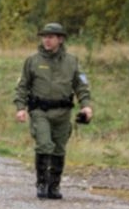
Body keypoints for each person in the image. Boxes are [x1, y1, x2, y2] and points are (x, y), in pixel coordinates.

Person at [13, 22, 93, 199]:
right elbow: (22, 86)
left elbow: (81, 85)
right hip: (40, 111)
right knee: (44, 143)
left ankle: (54, 185)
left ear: (60, 39)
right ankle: (41, 182)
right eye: (44, 37)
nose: (46, 41)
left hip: (63, 112)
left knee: (59, 149)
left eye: (50, 37)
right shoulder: (33, 61)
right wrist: (21, 108)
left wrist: (86, 105)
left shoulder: (72, 62)